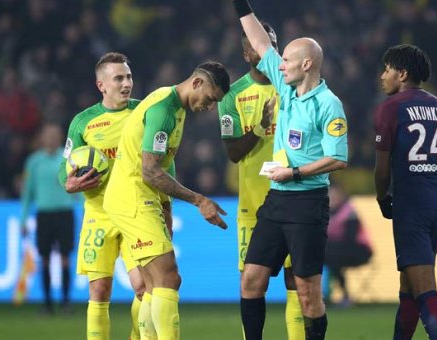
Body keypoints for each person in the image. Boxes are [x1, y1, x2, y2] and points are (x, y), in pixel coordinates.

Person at [231, 1, 349, 338]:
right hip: (277, 200)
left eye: (286, 61)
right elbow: (259, 42)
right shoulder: (286, 88)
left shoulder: (328, 104)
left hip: (308, 204)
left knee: (308, 292)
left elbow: (338, 159)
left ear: (307, 64)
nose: (279, 65)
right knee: (251, 279)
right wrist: (241, 5)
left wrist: (294, 173)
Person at [102, 61, 231, 339]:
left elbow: (164, 162)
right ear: (197, 83)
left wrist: (166, 209)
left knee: (152, 285)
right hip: (134, 198)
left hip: (136, 198)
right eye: (210, 99)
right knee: (169, 277)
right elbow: (149, 170)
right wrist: (198, 200)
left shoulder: (173, 106)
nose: (210, 106)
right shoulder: (164, 110)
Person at [373, 44, 437, 340]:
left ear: (402, 74)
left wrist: (382, 198)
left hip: (411, 208)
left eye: (388, 69)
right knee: (409, 289)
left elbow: (382, 170)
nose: (382, 76)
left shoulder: (389, 109)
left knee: (425, 294)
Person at [59, 52, 163, 340]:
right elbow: (64, 166)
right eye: (119, 78)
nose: (126, 83)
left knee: (143, 286)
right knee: (99, 289)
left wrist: (165, 204)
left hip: (135, 210)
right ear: (101, 85)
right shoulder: (83, 122)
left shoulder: (145, 113)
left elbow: (163, 159)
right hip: (98, 212)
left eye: (128, 76)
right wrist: (68, 183)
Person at [217, 21, 305, 339]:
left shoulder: (295, 87)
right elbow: (233, 153)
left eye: (272, 42)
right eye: (258, 44)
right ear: (246, 53)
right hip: (254, 207)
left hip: (295, 200)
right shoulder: (233, 96)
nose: (267, 49)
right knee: (252, 281)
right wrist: (259, 127)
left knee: (298, 281)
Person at [20, 123, 77, 315]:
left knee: (65, 259)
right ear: (42, 138)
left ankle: (66, 303)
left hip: (65, 214)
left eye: (55, 134)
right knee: (44, 259)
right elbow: (27, 193)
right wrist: (23, 219)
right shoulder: (34, 162)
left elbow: (80, 187)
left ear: (60, 137)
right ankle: (47, 304)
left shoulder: (69, 158)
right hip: (44, 215)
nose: (51, 138)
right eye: (48, 135)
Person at [324, 183, 372, 307]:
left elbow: (350, 238)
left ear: (341, 196)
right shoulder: (325, 212)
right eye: (329, 195)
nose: (332, 198)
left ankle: (345, 296)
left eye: (334, 195)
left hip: (359, 250)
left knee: (331, 258)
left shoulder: (349, 213)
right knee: (326, 256)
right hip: (335, 251)